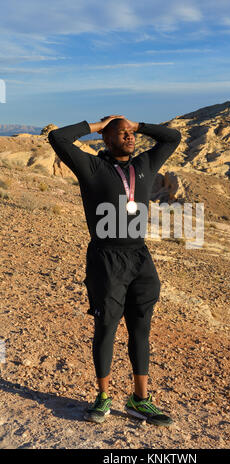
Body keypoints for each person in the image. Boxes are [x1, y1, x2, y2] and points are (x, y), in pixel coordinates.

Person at [48, 115, 181, 426]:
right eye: (120, 133)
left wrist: (138, 125)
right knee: (106, 327)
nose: (128, 137)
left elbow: (172, 137)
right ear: (106, 139)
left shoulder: (146, 164)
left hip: (139, 258)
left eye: (129, 133)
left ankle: (139, 400)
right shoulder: (92, 168)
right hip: (105, 259)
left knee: (141, 328)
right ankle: (103, 397)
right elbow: (59, 139)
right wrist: (98, 125)